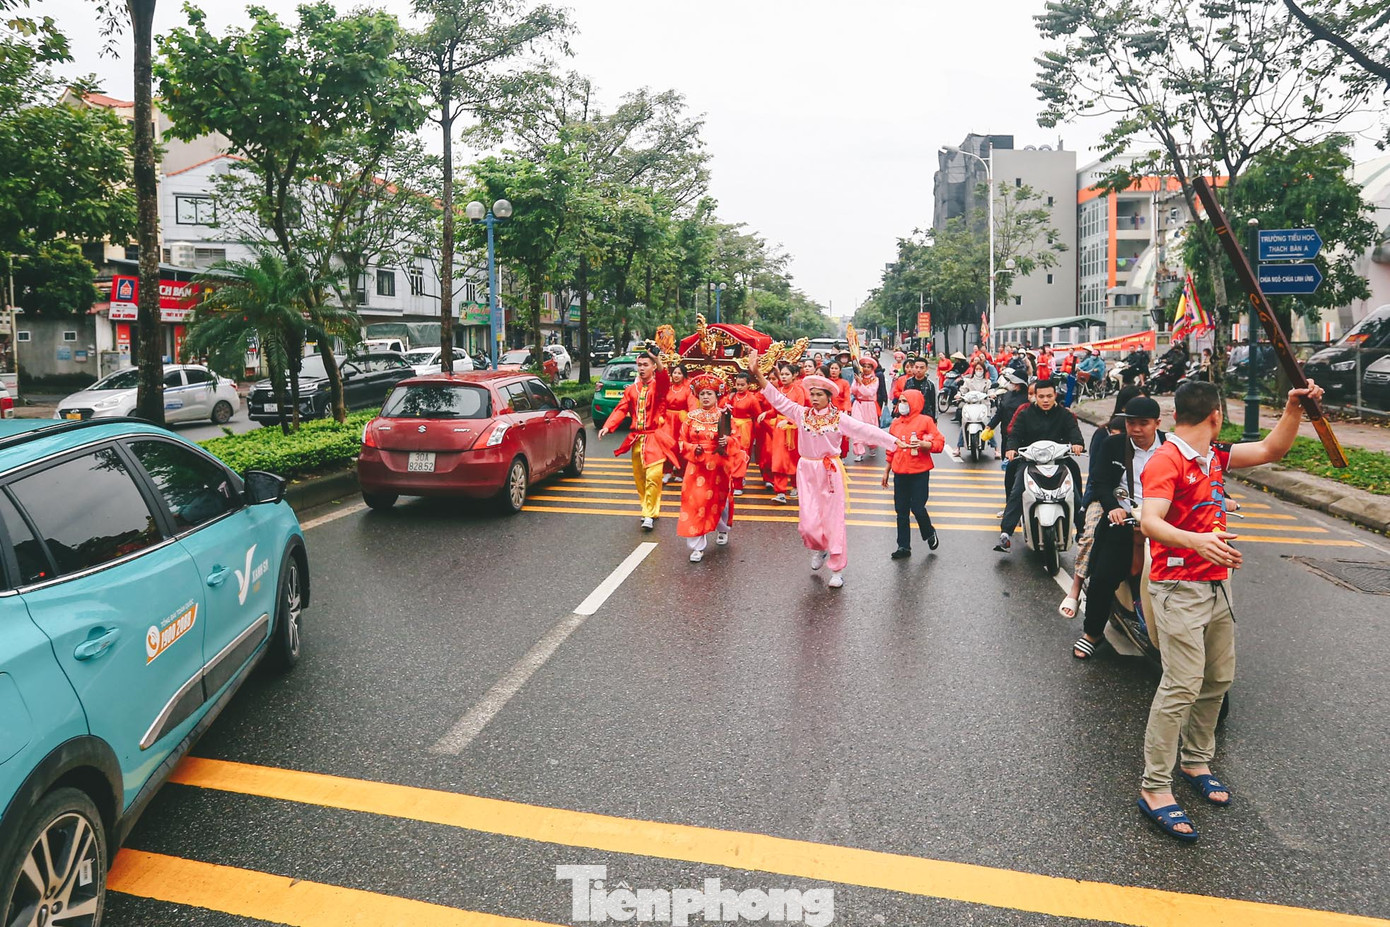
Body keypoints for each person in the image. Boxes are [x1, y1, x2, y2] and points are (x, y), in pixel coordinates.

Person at [1135, 379, 1324, 842]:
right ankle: (1155, 787)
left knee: (1218, 678)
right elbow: (1150, 520)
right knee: (1182, 684)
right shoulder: (1167, 460)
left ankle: (1196, 760)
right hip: (1179, 587)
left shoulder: (1213, 455)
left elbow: (1270, 450)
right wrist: (1198, 540)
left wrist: (1293, 409)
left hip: (1218, 584)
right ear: (1216, 414)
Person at [747, 350, 905, 588]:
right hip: (806, 469)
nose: (814, 398)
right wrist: (758, 373)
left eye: (819, 394)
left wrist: (895, 441)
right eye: (812, 394)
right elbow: (778, 399)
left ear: (828, 396)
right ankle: (820, 549)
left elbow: (865, 430)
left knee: (833, 520)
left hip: (830, 471)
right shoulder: (801, 414)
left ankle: (837, 569)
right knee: (808, 522)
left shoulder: (838, 418)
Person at [1068, 399, 1166, 650]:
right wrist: (1113, 508)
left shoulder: (1172, 447)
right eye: (1131, 423)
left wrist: (1224, 499)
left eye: (1143, 424)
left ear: (1158, 423)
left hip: (1165, 526)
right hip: (1125, 521)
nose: (1135, 429)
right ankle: (1092, 634)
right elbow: (1100, 482)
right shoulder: (1113, 445)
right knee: (1102, 577)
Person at [994, 380, 1084, 553]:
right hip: (1030, 461)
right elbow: (1014, 434)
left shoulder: (1064, 415)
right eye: (1041, 396)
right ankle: (1006, 533)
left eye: (1049, 396)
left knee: (1075, 491)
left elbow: (1074, 432)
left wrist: (1077, 444)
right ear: (1035, 396)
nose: (1045, 400)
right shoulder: (1025, 414)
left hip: (1059, 460)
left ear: (1055, 396)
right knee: (1017, 490)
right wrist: (1011, 449)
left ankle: (1081, 529)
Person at [596, 349, 677, 531]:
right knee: (640, 478)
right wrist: (608, 426)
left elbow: (665, 379)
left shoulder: (659, 387)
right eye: (639, 365)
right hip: (637, 439)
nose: (641, 368)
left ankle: (648, 514)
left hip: (655, 438)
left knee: (654, 476)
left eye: (645, 365)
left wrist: (659, 360)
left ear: (653, 367)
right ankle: (648, 508)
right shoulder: (631, 390)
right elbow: (621, 409)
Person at [1058, 414, 1128, 620]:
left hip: (1139, 503)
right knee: (1090, 535)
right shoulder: (1104, 440)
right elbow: (1098, 479)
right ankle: (1076, 588)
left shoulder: (1156, 447)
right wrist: (1111, 504)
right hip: (1103, 498)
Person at [678, 374, 748, 562]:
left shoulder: (724, 416)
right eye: (702, 394)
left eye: (709, 393)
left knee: (721, 500)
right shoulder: (691, 418)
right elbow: (681, 441)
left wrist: (728, 441)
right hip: (696, 466)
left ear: (717, 396)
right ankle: (697, 547)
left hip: (719, 465)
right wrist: (693, 448)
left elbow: (737, 440)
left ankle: (723, 528)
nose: (706, 397)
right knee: (695, 504)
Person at [883, 388, 945, 558]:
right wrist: (887, 470)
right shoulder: (895, 423)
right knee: (901, 510)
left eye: (905, 401)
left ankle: (929, 532)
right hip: (900, 471)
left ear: (914, 403)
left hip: (919, 472)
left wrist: (928, 445)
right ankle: (903, 546)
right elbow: (891, 447)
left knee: (917, 507)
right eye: (900, 401)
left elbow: (939, 441)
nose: (902, 405)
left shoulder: (925, 421)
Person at [759, 362, 806, 503]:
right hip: (780, 430)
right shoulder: (779, 391)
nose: (784, 377)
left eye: (787, 374)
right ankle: (780, 491)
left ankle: (796, 486)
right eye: (783, 374)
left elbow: (800, 410)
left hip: (793, 430)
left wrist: (788, 420)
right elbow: (775, 409)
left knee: (794, 459)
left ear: (794, 376)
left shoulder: (799, 391)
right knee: (779, 459)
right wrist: (766, 414)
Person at [725, 371, 766, 497]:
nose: (740, 387)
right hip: (733, 427)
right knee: (731, 454)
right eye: (738, 384)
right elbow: (724, 407)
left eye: (742, 384)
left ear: (748, 385)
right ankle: (735, 478)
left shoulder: (752, 399)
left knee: (743, 455)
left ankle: (739, 482)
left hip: (745, 429)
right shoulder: (733, 396)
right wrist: (728, 398)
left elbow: (758, 416)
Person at [949, 358, 995, 460]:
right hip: (970, 406)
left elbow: (991, 390)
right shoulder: (968, 381)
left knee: (989, 425)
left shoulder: (987, 382)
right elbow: (962, 390)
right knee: (964, 424)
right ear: (974, 370)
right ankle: (958, 447)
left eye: (981, 369)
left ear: (984, 370)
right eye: (977, 369)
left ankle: (996, 449)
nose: (979, 371)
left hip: (983, 405)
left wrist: (992, 394)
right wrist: (958, 395)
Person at [662, 364, 696, 484]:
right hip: (667, 420)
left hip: (681, 420)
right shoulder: (667, 388)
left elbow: (692, 406)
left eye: (679, 373)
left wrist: (691, 420)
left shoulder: (688, 390)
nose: (676, 375)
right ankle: (667, 471)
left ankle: (680, 472)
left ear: (684, 375)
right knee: (666, 444)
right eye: (674, 373)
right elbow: (662, 404)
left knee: (680, 446)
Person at [850, 358, 884, 460]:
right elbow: (853, 391)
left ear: (872, 368)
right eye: (864, 366)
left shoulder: (875, 380)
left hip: (869, 406)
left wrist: (860, 384)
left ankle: (872, 446)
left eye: (868, 367)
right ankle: (859, 452)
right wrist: (857, 382)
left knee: (870, 428)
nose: (866, 369)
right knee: (857, 427)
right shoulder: (858, 378)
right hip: (858, 404)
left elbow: (869, 393)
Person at [894, 355, 938, 419]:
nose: (918, 370)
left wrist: (934, 419)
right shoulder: (908, 382)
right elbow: (903, 399)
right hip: (910, 416)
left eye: (921, 368)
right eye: (916, 367)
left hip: (925, 417)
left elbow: (934, 403)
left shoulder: (930, 384)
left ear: (926, 368)